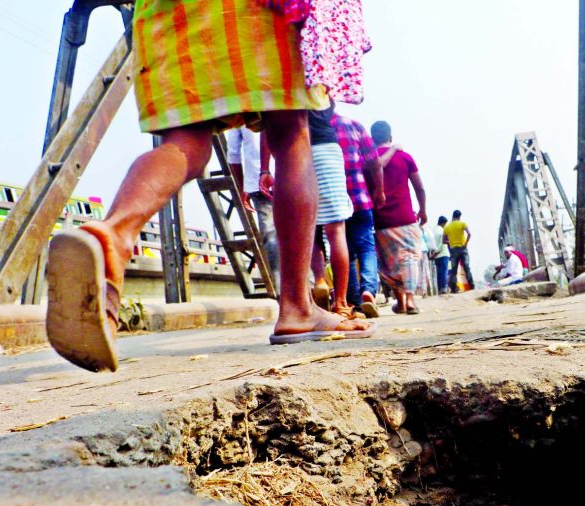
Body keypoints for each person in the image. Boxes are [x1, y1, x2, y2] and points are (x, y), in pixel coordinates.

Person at [45, 0, 372, 372]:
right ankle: (297, 308)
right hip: (261, 11)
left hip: (172, 10)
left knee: (186, 141)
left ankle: (111, 236)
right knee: (291, 136)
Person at [371, 120, 426, 315]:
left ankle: (400, 302)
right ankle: (410, 299)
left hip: (380, 219)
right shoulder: (404, 157)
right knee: (409, 257)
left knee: (390, 261)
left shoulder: (369, 159)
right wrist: (423, 210)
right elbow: (419, 186)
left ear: (372, 139)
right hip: (404, 216)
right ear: (391, 137)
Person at [306, 104, 356, 319]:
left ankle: (319, 280)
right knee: (336, 231)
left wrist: (264, 168)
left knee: (309, 227)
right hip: (326, 148)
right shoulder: (321, 75)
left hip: (296, 151)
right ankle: (341, 302)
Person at [332, 111, 384, 318]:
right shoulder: (354, 125)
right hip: (360, 197)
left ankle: (353, 301)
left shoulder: (314, 127)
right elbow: (374, 162)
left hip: (333, 201)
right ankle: (368, 290)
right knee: (367, 248)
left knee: (345, 250)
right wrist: (379, 190)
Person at [226, 126, 280, 286]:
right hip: (291, 176)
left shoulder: (239, 109)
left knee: (271, 238)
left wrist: (244, 187)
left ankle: (282, 290)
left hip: (258, 183)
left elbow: (233, 154)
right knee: (299, 234)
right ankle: (310, 286)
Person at [443, 209, 475, 293]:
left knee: (454, 270)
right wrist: (465, 244)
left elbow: (443, 241)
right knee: (467, 267)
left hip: (453, 250)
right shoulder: (462, 224)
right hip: (463, 248)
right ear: (459, 217)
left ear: (452, 216)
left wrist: (451, 242)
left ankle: (453, 288)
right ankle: (471, 286)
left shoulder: (447, 227)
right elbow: (469, 234)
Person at [431, 216, 450, 294]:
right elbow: (443, 244)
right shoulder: (442, 231)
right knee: (444, 272)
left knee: (439, 273)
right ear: (443, 223)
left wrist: (433, 254)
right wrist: (436, 252)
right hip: (443, 254)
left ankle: (439, 289)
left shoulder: (433, 231)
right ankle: (443, 289)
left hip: (436, 256)